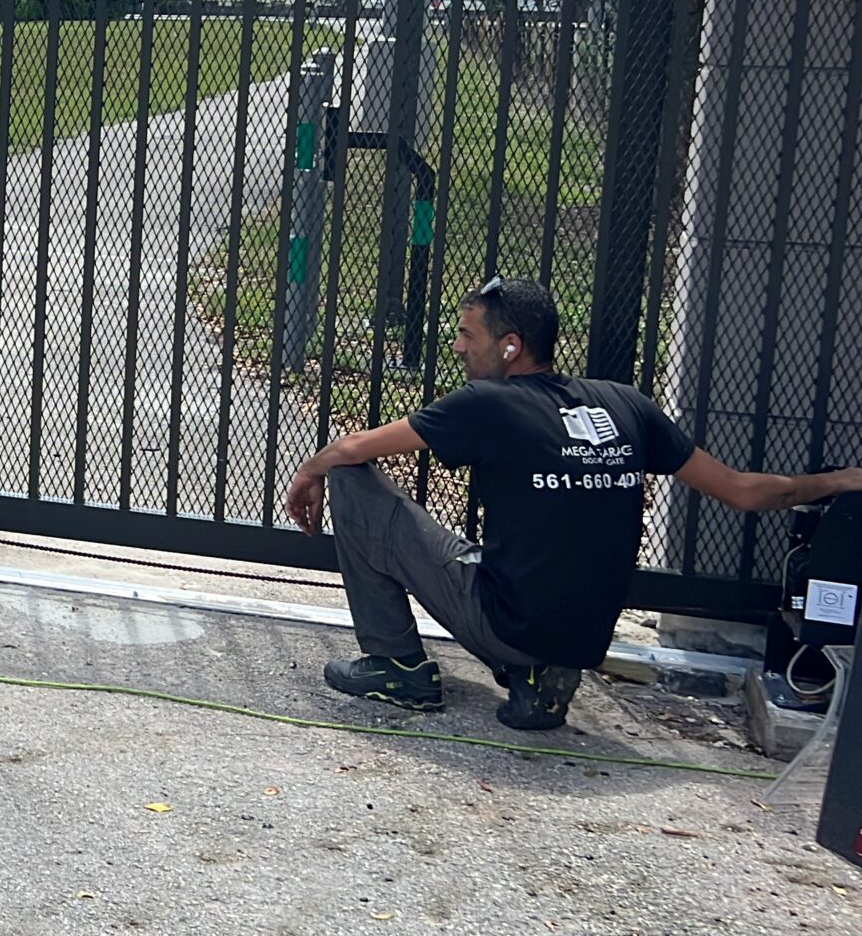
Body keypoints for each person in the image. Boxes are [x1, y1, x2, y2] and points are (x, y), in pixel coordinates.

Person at [284, 277, 862, 731]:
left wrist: (311, 468)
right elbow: (744, 490)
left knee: (351, 479)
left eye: (468, 335)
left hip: (507, 622)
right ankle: (541, 675)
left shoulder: (486, 404)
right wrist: (839, 482)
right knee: (498, 557)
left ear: (510, 347)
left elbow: (352, 447)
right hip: (587, 638)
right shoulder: (626, 405)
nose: (458, 346)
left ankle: (396, 666)